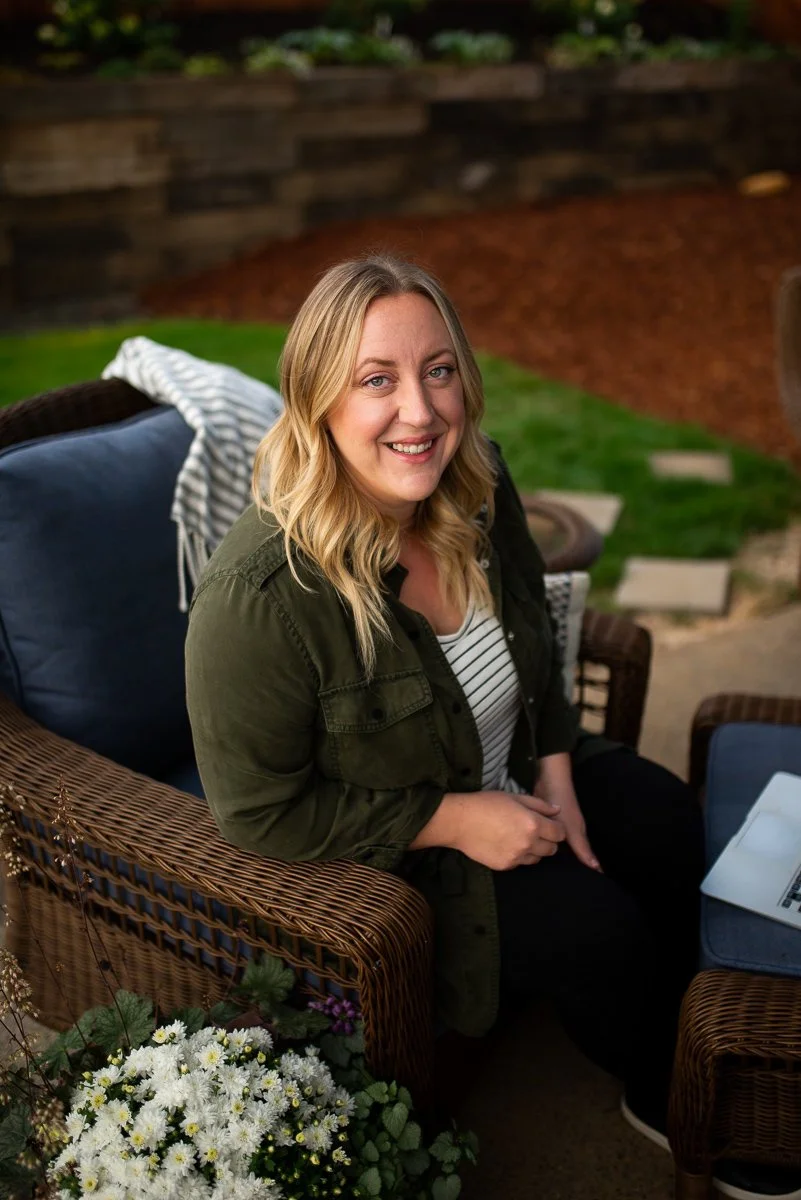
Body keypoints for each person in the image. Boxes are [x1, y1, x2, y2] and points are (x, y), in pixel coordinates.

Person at [185, 255, 792, 1200]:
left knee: (671, 821)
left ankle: (709, 1023)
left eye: (438, 370)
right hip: (411, 848)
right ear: (316, 400)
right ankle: (661, 1088)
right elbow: (256, 813)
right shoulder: (261, 597)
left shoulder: (474, 479)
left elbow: (533, 639)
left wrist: (556, 772)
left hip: (512, 755)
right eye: (376, 380)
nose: (420, 411)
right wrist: (455, 819)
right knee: (602, 937)